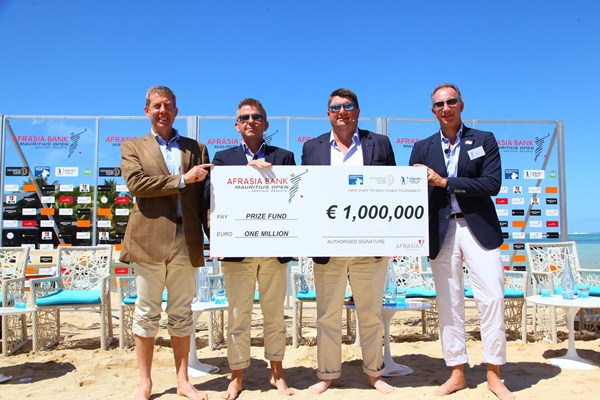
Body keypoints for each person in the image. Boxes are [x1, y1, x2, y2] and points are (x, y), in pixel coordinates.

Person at [409, 83, 514, 400]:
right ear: (432, 111)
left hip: (478, 228)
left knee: (492, 299)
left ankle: (494, 374)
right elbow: (413, 193)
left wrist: (445, 182)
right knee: (449, 304)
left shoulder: (483, 140)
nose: (446, 108)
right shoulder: (422, 147)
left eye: (451, 102)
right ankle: (457, 373)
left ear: (461, 105)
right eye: (439, 104)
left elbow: (491, 184)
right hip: (441, 232)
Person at [301, 88, 396, 395]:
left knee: (371, 314)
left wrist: (392, 238)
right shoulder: (311, 147)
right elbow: (305, 195)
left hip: (370, 244)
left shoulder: (379, 143)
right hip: (327, 245)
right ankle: (327, 374)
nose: (341, 111)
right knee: (327, 315)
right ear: (328, 113)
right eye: (335, 107)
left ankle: (374, 373)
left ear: (357, 111)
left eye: (347, 106)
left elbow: (393, 192)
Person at [120, 85, 212, 400]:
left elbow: (204, 200)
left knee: (182, 312)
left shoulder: (197, 148)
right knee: (146, 312)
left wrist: (215, 237)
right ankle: (145, 384)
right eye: (157, 105)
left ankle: (183, 381)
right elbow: (137, 184)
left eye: (168, 105)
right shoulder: (132, 146)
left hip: (187, 240)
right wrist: (183, 179)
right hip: (148, 240)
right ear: (147, 110)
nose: (163, 111)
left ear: (176, 110)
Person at [211, 98, 296, 400]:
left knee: (275, 316)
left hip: (274, 250)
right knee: (238, 318)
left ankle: (278, 374)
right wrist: (248, 172)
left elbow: (296, 198)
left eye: (256, 117)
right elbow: (212, 198)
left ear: (265, 124)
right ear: (236, 125)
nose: (251, 121)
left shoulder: (284, 157)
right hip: (238, 252)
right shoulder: (223, 159)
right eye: (245, 117)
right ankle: (237, 377)